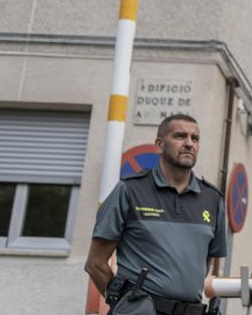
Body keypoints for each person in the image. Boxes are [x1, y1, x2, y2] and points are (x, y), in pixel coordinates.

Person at [84, 114, 227, 315]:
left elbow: (205, 263)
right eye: (180, 136)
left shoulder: (213, 199)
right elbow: (95, 263)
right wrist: (123, 306)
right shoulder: (130, 190)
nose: (189, 144)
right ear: (159, 144)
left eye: (195, 139)